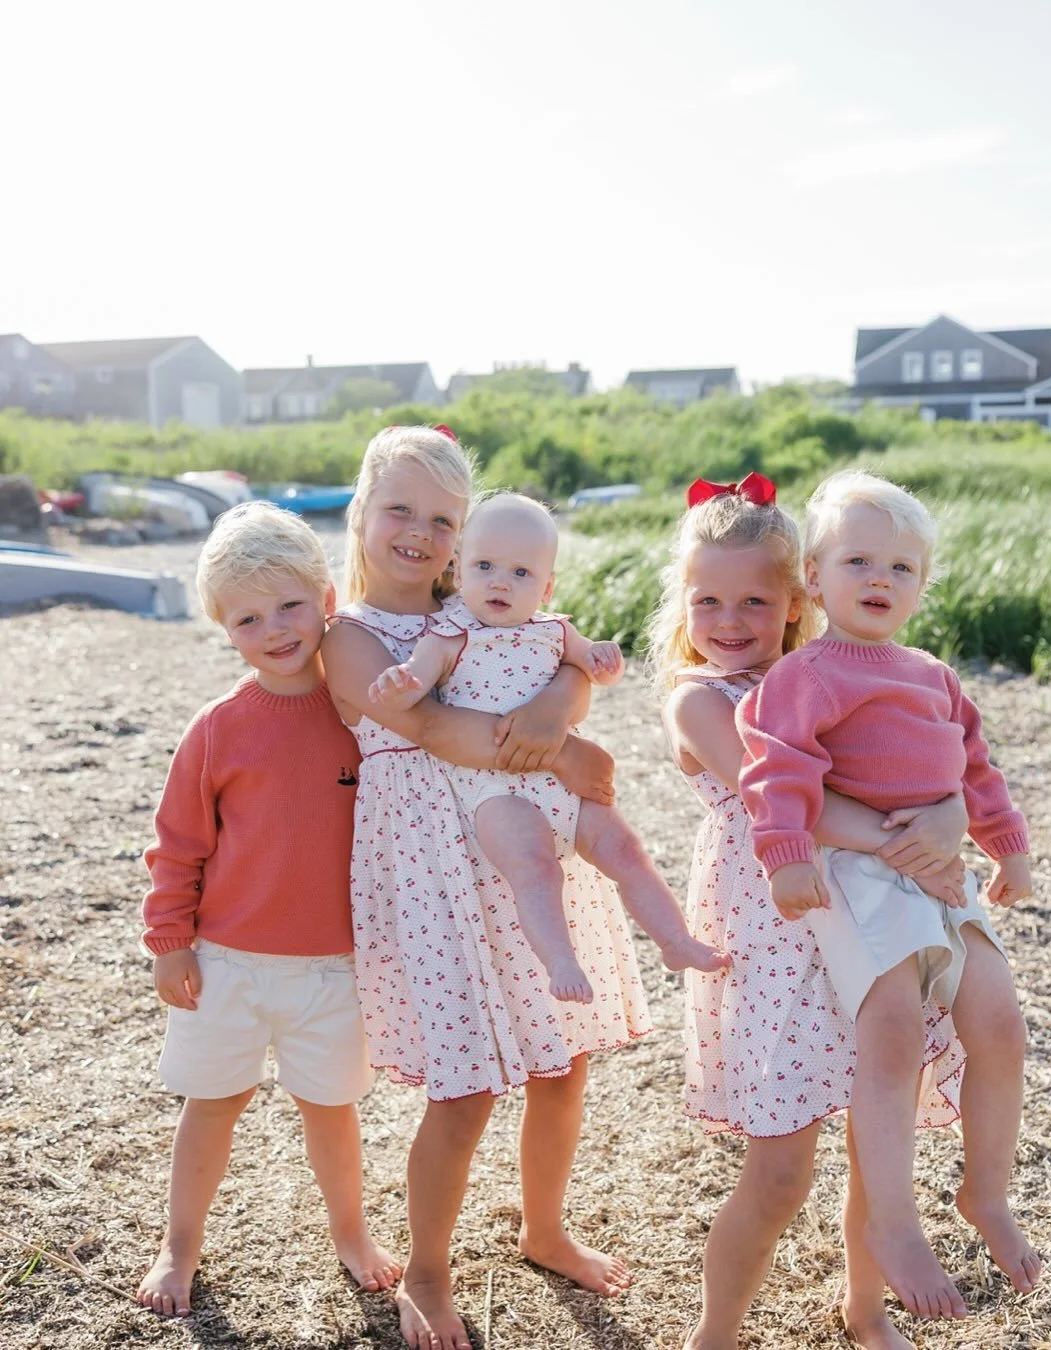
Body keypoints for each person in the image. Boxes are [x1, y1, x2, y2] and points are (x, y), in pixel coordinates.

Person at [321, 425, 651, 1350]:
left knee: (561, 1059)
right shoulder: (350, 640)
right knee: (464, 1087)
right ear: (360, 512)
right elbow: (441, 732)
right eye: (400, 510)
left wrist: (559, 705)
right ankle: (427, 1270)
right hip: (433, 865)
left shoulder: (479, 599)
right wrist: (564, 745)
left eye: (441, 519)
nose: (419, 533)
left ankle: (544, 1228)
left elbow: (562, 660)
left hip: (524, 845)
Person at [649, 472, 973, 1350]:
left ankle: (864, 1307)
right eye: (707, 599)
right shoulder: (699, 699)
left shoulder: (828, 675)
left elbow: (927, 766)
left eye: (754, 599)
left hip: (869, 925)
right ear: (683, 605)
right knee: (781, 1170)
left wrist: (948, 814)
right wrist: (904, 838)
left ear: (797, 600)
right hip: (775, 935)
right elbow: (781, 804)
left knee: (882, 1139)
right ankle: (714, 1333)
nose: (729, 619)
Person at [737, 469, 1040, 1322]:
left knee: (1000, 1020)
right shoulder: (807, 673)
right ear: (815, 579)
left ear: (922, 585)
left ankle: (985, 1193)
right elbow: (777, 766)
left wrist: (1007, 847)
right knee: (895, 1031)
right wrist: (787, 853)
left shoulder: (934, 675)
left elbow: (975, 768)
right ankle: (894, 1224)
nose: (879, 579)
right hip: (860, 874)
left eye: (901, 568)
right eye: (858, 561)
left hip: (942, 873)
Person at [137, 503, 399, 1318]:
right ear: (226, 631)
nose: (275, 628)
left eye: (289, 606)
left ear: (326, 598)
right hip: (228, 963)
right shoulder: (217, 729)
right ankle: (180, 1247)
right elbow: (177, 844)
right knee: (212, 1105)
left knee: (332, 1111)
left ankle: (350, 1232)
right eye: (250, 618)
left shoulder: (361, 714)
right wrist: (169, 942)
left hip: (334, 967)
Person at [368, 490, 727, 1003]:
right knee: (534, 867)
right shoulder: (449, 635)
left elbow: (594, 670)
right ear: (459, 572)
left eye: (521, 573)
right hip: (495, 788)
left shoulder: (556, 631)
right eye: (485, 566)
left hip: (566, 783)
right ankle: (561, 961)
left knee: (626, 850)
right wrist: (401, 681)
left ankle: (675, 940)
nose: (500, 581)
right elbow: (417, 678)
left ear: (547, 586)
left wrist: (605, 659)